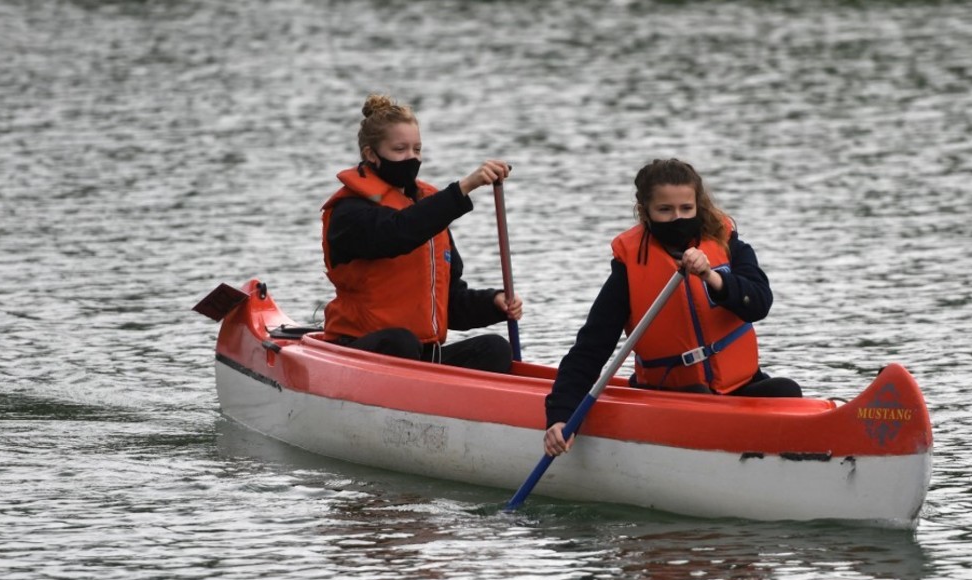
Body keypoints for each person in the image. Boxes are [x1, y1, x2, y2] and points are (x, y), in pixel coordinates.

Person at [543, 158, 801, 457]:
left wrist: (712, 277)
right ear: (645, 212)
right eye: (665, 210)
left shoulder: (729, 244)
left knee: (786, 391)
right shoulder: (628, 271)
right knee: (701, 400)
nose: (677, 218)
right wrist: (561, 415)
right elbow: (590, 350)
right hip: (671, 395)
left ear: (698, 206)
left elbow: (759, 304)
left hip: (738, 387)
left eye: (686, 209)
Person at [320, 93, 523, 373]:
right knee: (401, 342)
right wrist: (463, 188)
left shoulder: (428, 209)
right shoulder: (350, 213)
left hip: (420, 358)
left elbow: (450, 303)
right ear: (371, 155)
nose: (411, 158)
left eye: (417, 149)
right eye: (400, 149)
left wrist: (494, 304)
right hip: (360, 352)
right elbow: (398, 233)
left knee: (495, 348)